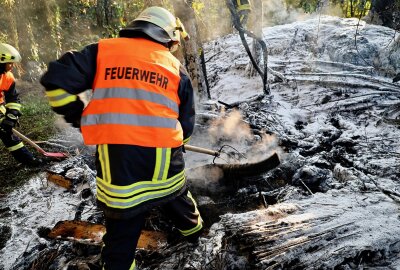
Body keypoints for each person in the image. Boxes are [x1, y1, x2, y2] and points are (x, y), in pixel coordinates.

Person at [40, 6, 203, 270]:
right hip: (164, 161)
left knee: (122, 230)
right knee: (176, 198)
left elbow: (56, 81)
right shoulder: (175, 67)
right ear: (166, 36)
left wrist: (78, 118)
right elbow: (186, 123)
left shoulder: (102, 51)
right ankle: (198, 237)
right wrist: (178, 144)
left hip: (119, 161)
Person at [0, 43, 42, 166]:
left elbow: (12, 98)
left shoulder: (7, 77)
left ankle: (28, 160)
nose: (12, 66)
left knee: (7, 132)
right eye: (9, 63)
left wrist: (11, 115)